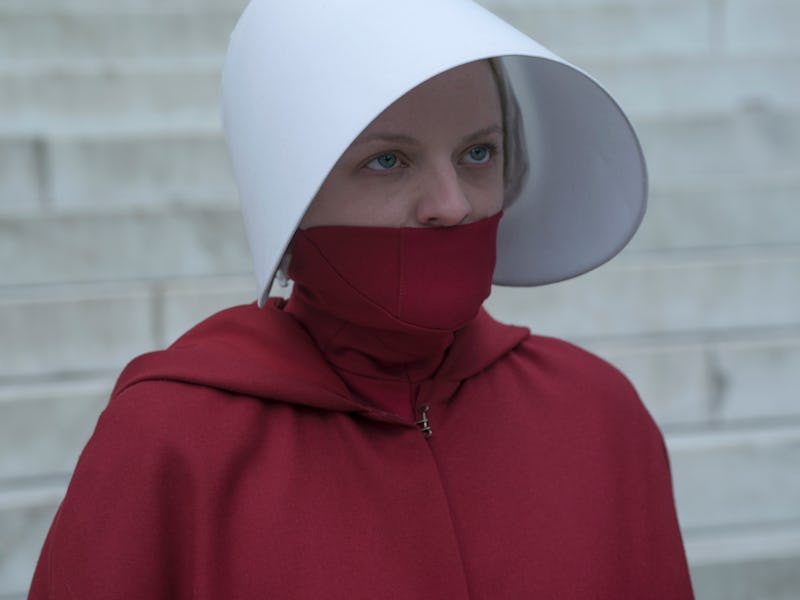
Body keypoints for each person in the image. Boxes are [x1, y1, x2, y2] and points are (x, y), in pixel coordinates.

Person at [29, 0, 694, 598]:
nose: (452, 205)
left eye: (478, 153)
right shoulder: (170, 444)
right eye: (388, 161)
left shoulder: (597, 414)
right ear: (291, 196)